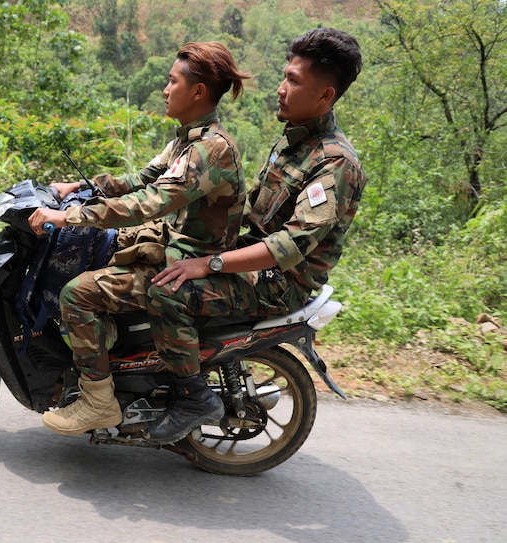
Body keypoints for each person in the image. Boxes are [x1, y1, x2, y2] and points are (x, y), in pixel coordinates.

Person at [142, 27, 367, 445]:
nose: (281, 89)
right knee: (147, 256)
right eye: (285, 76)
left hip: (280, 284)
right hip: (248, 258)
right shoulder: (293, 141)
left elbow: (290, 245)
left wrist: (206, 263)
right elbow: (251, 211)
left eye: (294, 81)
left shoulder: (335, 163)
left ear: (325, 96)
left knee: (167, 291)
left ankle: (191, 398)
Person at [27, 42, 251, 436]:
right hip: (172, 249)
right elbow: (141, 180)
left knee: (77, 294)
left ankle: (98, 401)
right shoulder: (187, 141)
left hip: (190, 265)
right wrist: (78, 185)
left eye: (172, 81)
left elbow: (148, 203)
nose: (165, 89)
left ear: (198, 92)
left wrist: (69, 217)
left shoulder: (209, 151)